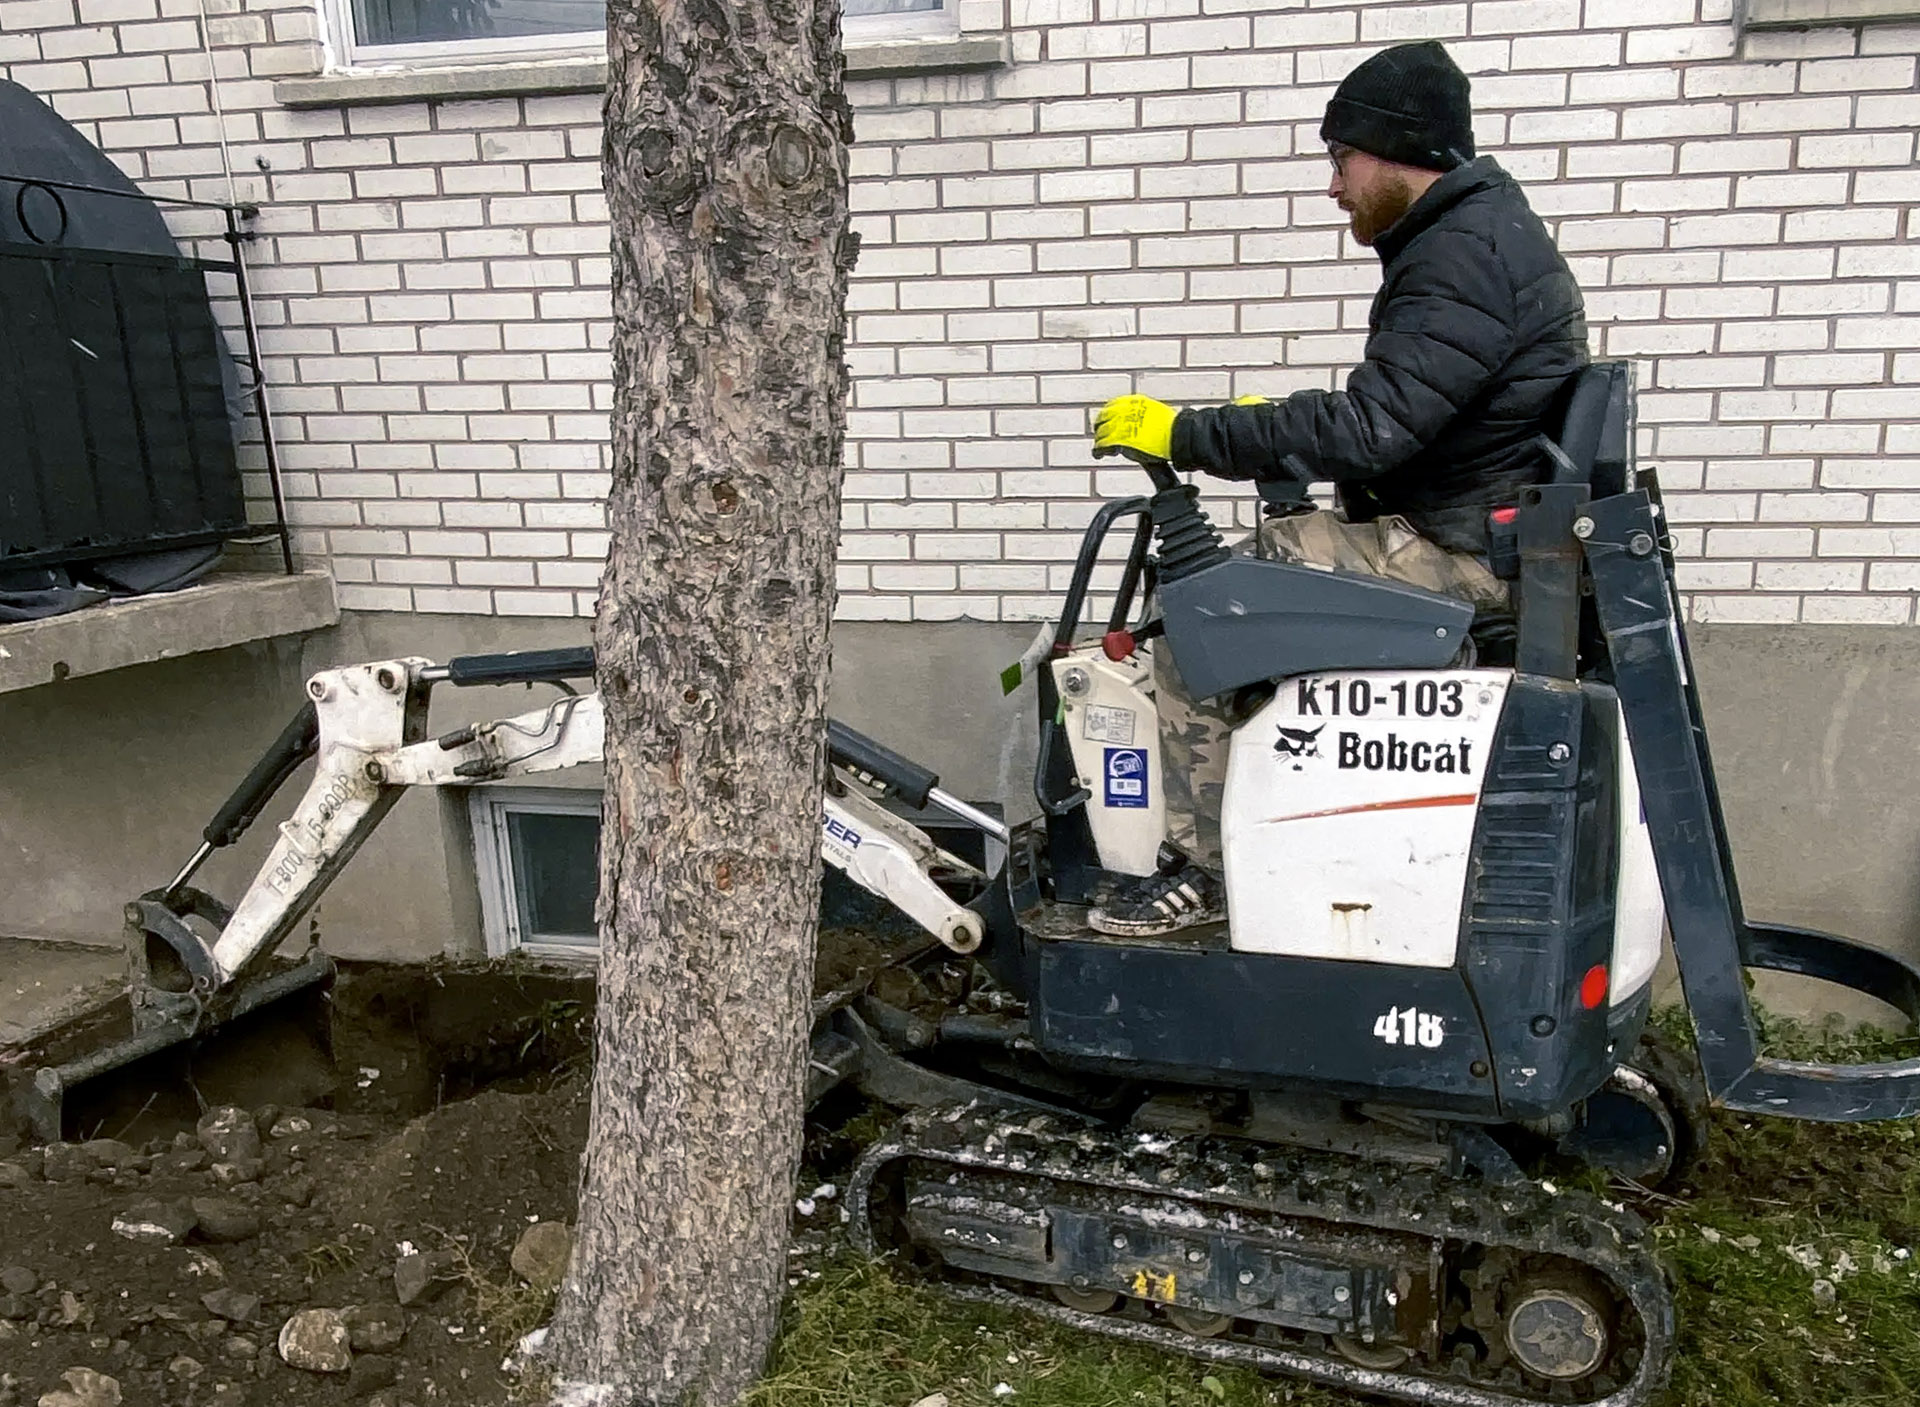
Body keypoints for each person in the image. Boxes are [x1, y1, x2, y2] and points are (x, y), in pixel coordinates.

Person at [1085, 39, 1589, 937]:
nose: (1334, 186)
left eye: (1340, 159)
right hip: (1474, 533)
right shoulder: (1473, 238)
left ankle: (1207, 874)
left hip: (1466, 562)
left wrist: (1192, 433)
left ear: (1399, 151)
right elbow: (1409, 417)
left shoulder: (1463, 255)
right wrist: (1267, 432)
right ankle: (1259, 819)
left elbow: (1372, 427)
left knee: (1205, 615)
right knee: (1249, 581)